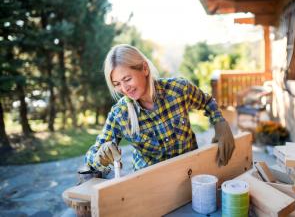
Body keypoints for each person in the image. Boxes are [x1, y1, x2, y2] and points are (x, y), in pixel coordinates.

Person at [85, 44, 235, 174]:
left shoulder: (178, 89)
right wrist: (100, 157)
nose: (124, 89)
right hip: (150, 187)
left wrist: (219, 122)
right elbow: (91, 156)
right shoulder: (120, 115)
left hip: (190, 173)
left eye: (127, 79)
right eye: (117, 84)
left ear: (144, 68)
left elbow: (207, 102)